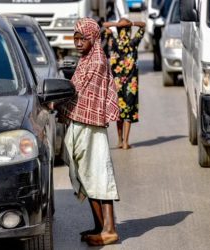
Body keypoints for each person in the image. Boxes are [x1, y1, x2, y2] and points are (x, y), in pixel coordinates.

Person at [58, 17, 120, 246]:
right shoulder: (86, 60)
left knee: (98, 175)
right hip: (82, 125)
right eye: (75, 38)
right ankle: (99, 226)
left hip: (90, 126)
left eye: (82, 38)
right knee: (87, 175)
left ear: (93, 37)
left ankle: (110, 229)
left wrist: (58, 103)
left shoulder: (95, 63)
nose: (77, 42)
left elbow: (79, 94)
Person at [102, 18, 145, 150]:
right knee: (128, 112)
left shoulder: (112, 41)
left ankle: (120, 140)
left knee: (119, 112)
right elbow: (143, 26)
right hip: (131, 84)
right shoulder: (133, 42)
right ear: (128, 30)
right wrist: (131, 23)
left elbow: (104, 25)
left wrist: (116, 24)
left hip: (116, 83)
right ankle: (125, 142)